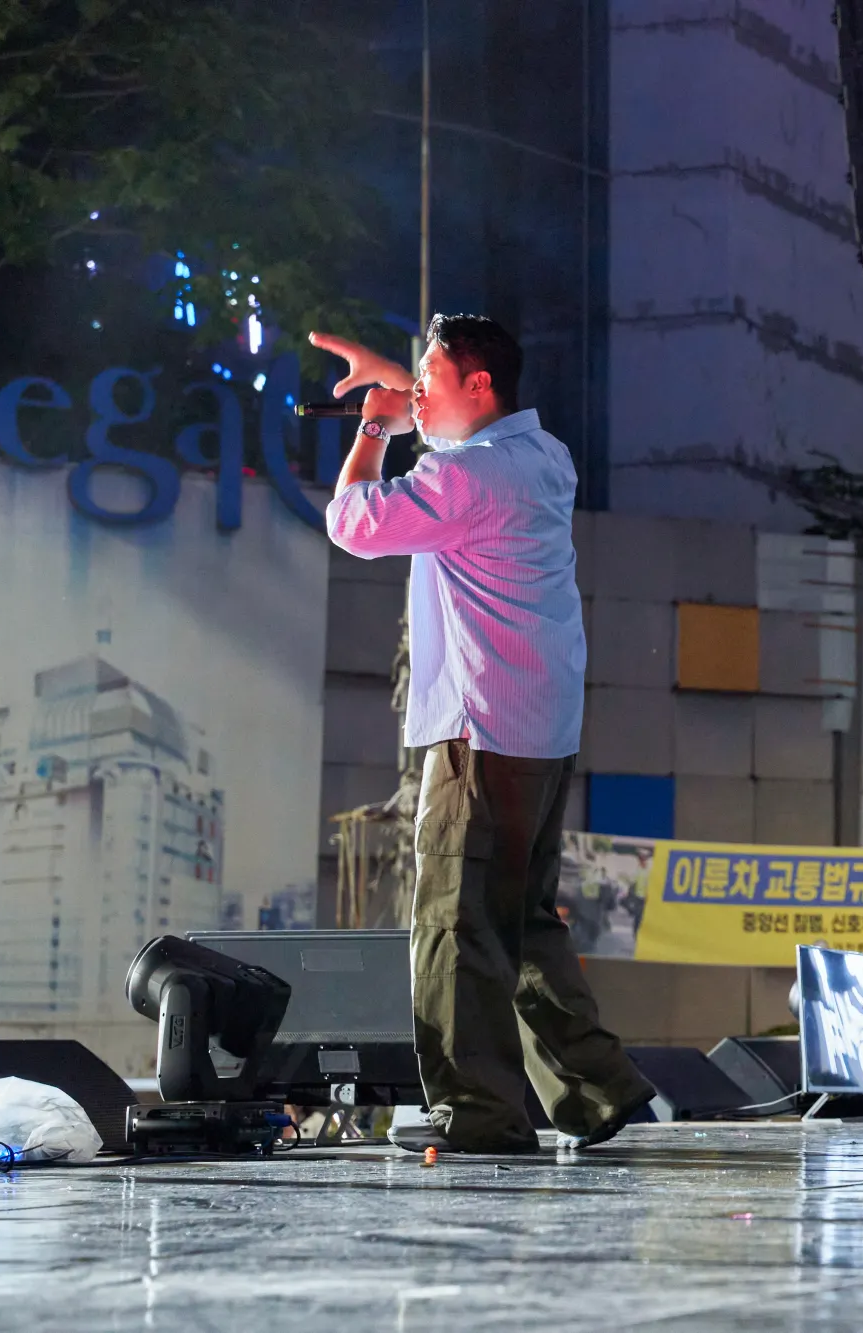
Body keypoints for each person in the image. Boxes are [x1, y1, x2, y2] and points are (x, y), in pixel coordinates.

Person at [314, 317, 655, 1155]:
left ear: (479, 385)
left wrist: (373, 428)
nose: (419, 394)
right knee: (521, 919)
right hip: (539, 726)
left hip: (478, 727)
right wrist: (408, 390)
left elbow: (354, 521)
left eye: (432, 376)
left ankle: (475, 1111)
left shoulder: (468, 477)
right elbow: (446, 436)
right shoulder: (543, 457)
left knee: (456, 922)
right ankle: (595, 1088)